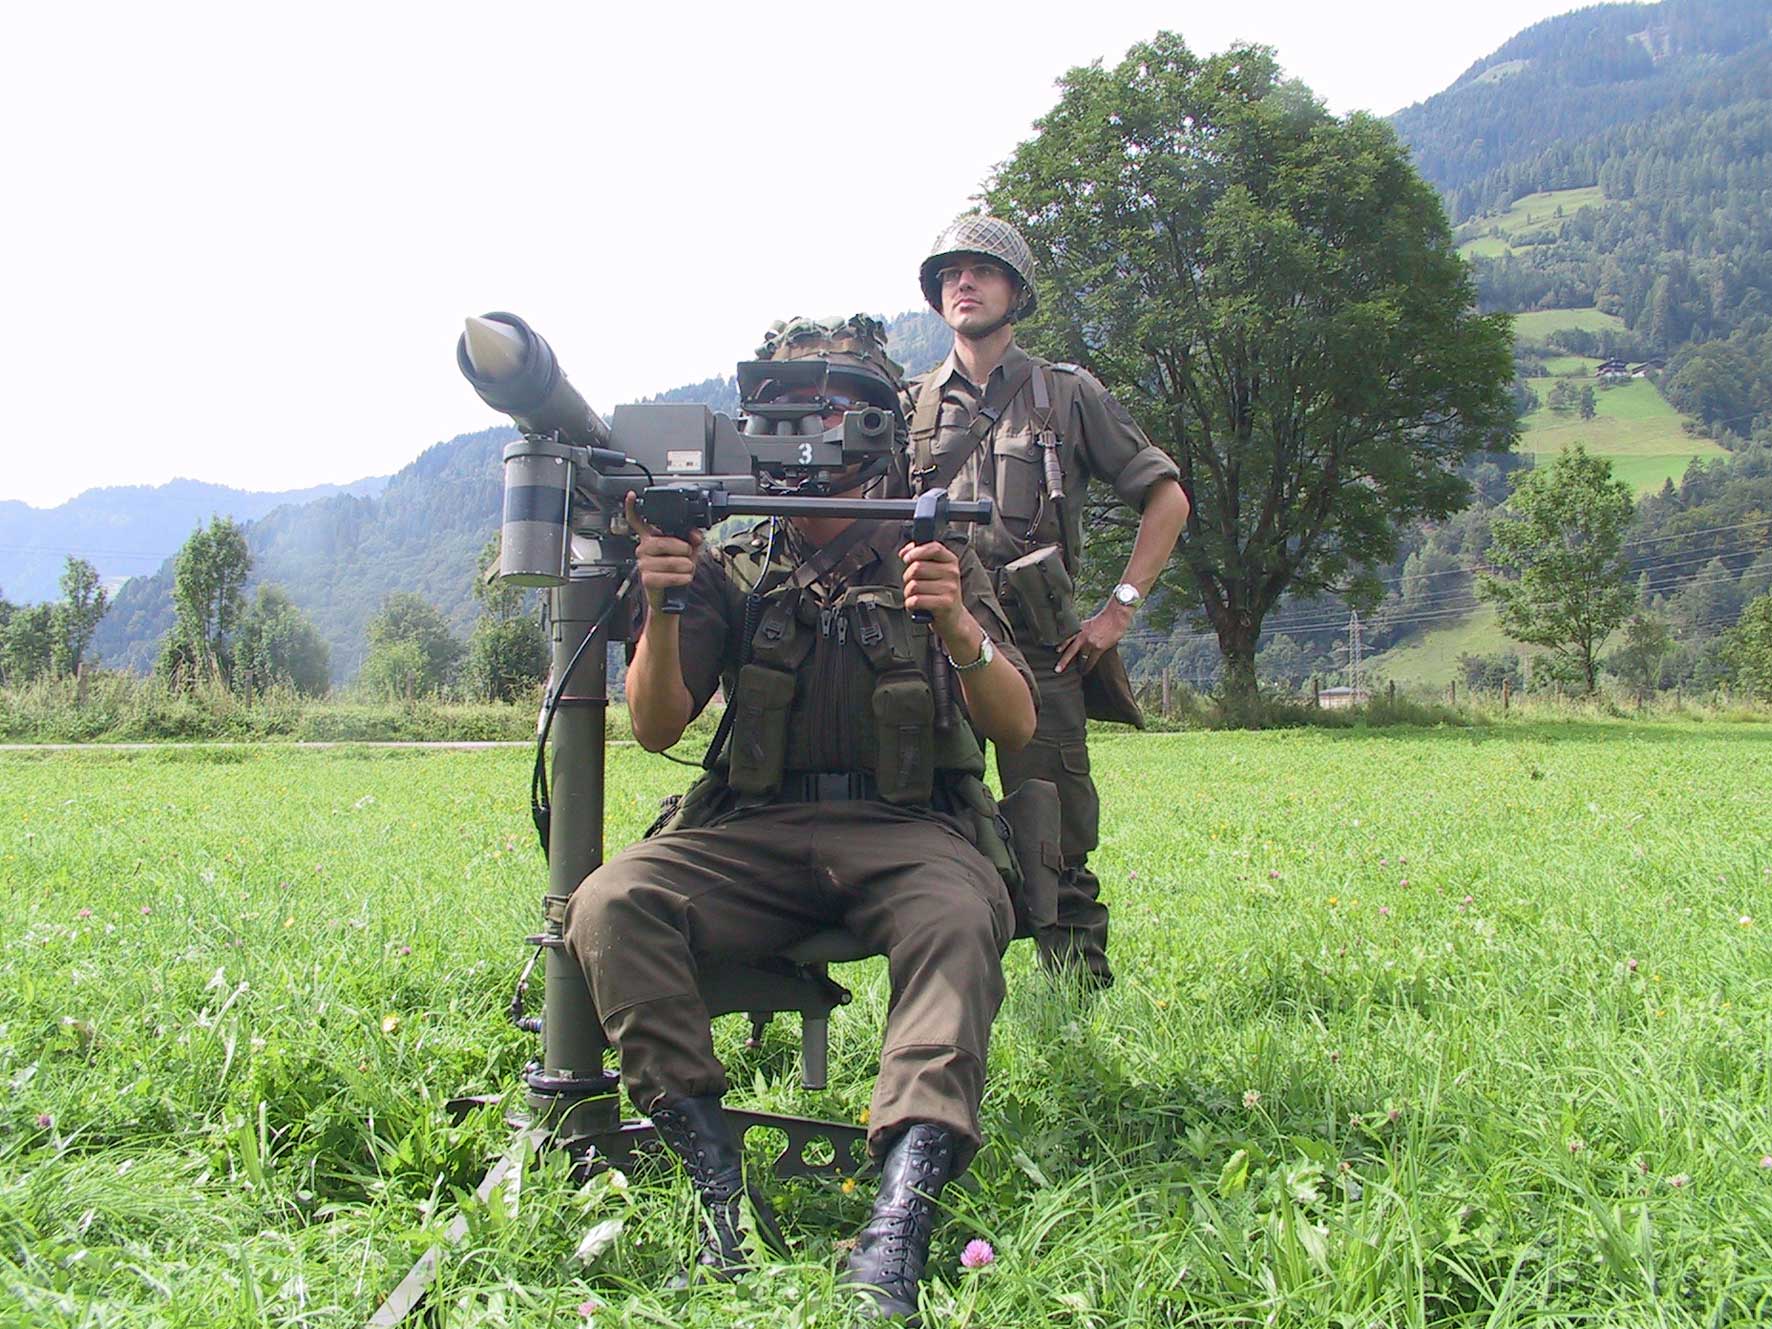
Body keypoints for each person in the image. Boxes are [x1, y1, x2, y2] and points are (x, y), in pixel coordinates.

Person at [563, 316, 1038, 1320]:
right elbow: (655, 725)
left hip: (910, 833)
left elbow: (1017, 722)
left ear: (874, 425)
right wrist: (663, 603)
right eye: (784, 412)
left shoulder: (935, 547)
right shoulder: (733, 560)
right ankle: (716, 1190)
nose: (807, 432)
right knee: (610, 903)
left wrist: (955, 623)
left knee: (958, 922)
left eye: (827, 410)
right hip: (754, 830)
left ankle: (898, 1219)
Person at [899, 216, 1191, 990]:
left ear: (1017, 290)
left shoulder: (1067, 393)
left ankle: (1074, 1004)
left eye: (983, 270)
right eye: (951, 273)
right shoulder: (907, 406)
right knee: (926, 826)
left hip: (1040, 647)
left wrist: (1118, 609)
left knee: (1054, 837)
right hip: (934, 647)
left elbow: (1166, 498)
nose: (965, 282)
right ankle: (951, 995)